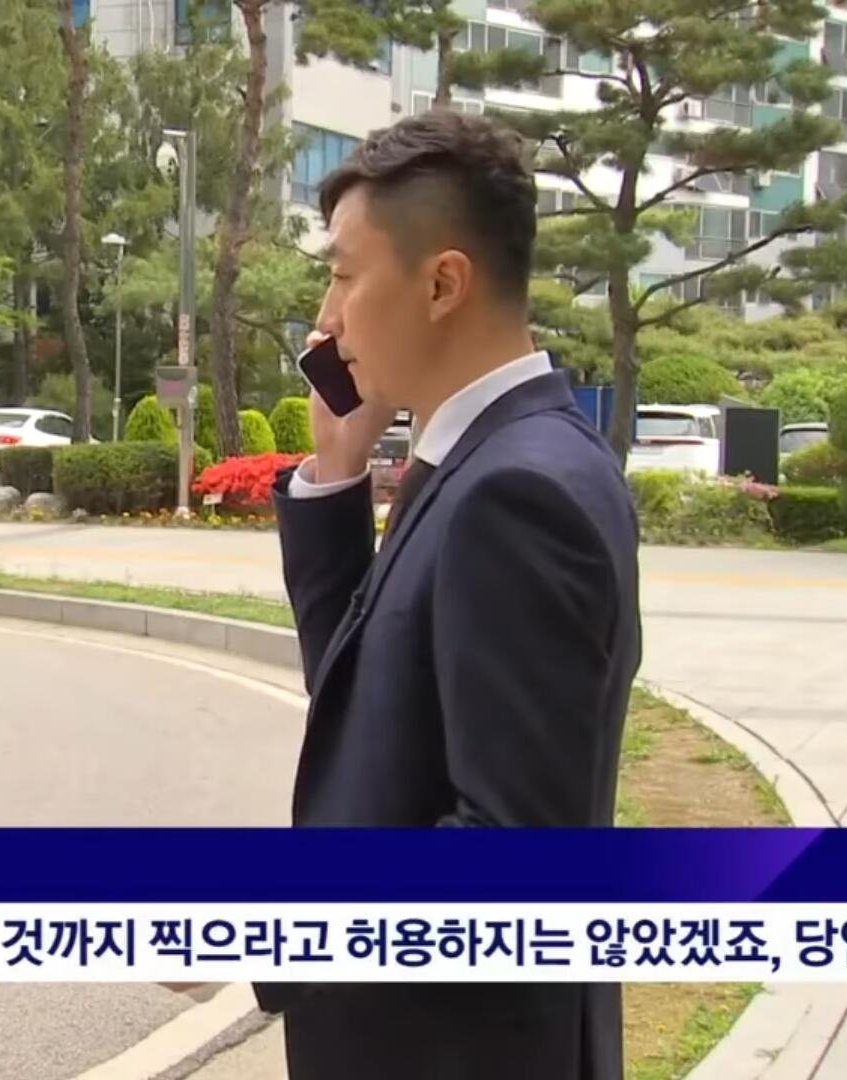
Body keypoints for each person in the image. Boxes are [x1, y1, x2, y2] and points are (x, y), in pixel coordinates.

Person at [257, 111, 641, 1078]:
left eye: (346, 276)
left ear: (442, 284)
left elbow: (508, 858)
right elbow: (370, 710)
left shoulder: (516, 494)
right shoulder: (501, 458)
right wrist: (337, 473)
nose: (327, 320)